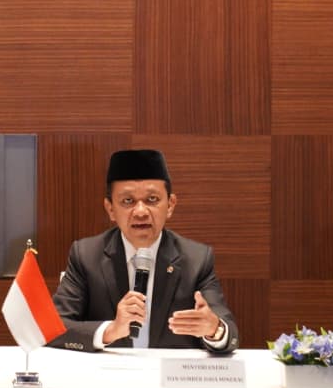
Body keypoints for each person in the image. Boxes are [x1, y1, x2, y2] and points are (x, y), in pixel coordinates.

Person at [51, 148, 238, 352]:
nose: (140, 212)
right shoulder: (86, 256)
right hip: (109, 371)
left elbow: (229, 333)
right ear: (110, 209)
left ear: (170, 205)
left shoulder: (196, 259)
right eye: (128, 201)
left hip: (169, 371)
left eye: (152, 200)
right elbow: (53, 328)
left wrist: (214, 329)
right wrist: (110, 330)